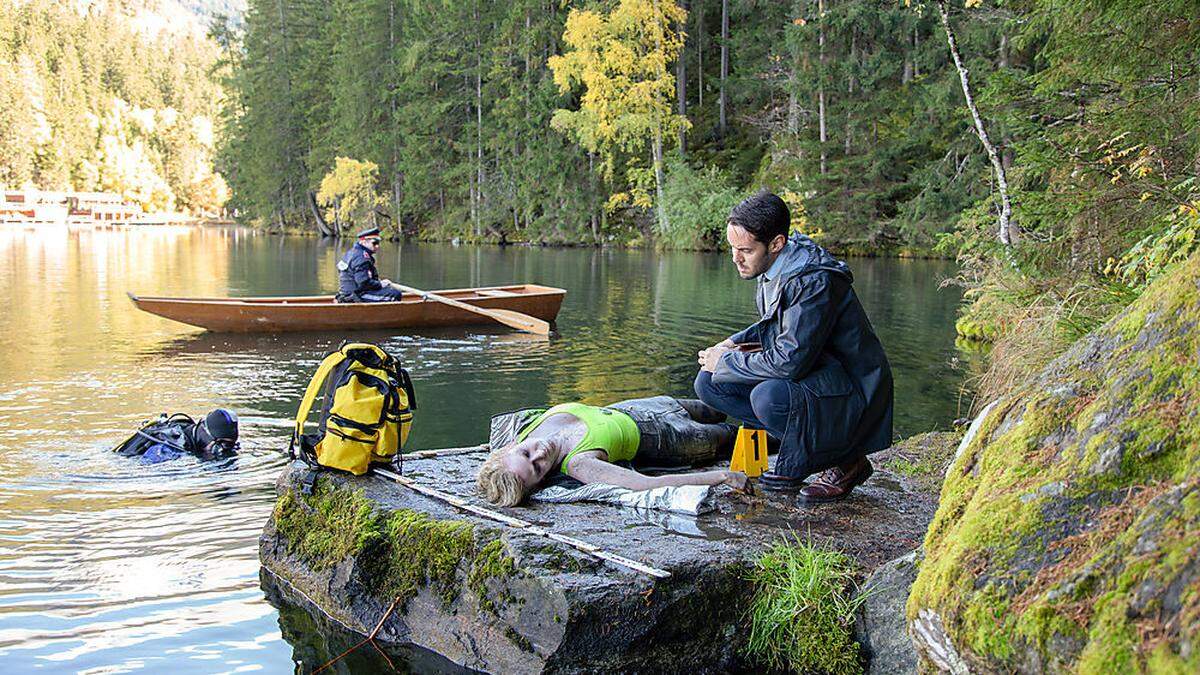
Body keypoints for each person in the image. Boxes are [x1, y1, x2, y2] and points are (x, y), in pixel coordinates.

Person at [694, 190, 893, 501]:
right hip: (819, 374)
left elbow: (789, 362)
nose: (735, 258)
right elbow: (779, 325)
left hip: (852, 392)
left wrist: (727, 362)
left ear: (776, 244)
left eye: (744, 250)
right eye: (732, 248)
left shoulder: (813, 281)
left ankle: (845, 460)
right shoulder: (776, 263)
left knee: (767, 396)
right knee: (709, 383)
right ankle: (802, 444)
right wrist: (733, 343)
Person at [476, 396, 746, 507]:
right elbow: (646, 484)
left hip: (643, 406)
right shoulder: (580, 465)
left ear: (511, 447)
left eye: (526, 453)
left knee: (724, 401)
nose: (539, 454)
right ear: (542, 480)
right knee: (741, 433)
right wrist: (722, 477)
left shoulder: (521, 430)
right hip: (670, 438)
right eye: (538, 468)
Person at [113, 409, 240, 464]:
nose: (223, 450)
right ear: (205, 434)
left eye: (229, 445)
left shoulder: (193, 435)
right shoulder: (167, 450)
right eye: (221, 444)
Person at [336, 226, 404, 303]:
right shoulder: (361, 257)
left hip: (347, 294)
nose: (377, 246)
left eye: (378, 243)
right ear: (364, 242)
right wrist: (380, 284)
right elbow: (363, 283)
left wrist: (378, 283)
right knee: (395, 294)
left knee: (388, 290)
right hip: (354, 297)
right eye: (374, 243)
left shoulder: (352, 252)